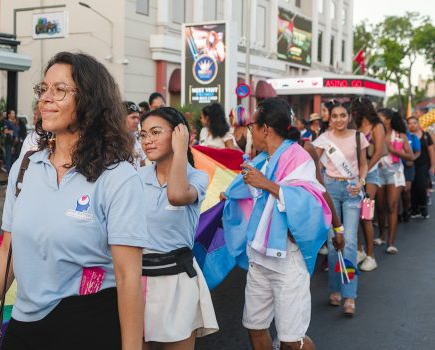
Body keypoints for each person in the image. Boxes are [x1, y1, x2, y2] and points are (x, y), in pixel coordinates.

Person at [0, 52, 149, 349]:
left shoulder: (118, 177)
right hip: (25, 326)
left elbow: (129, 277)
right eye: (43, 89)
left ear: (89, 100)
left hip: (90, 325)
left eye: (59, 90)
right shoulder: (25, 168)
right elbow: (7, 254)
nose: (45, 99)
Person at [223, 97, 331, 350]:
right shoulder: (261, 159)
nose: (251, 132)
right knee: (255, 326)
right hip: (260, 257)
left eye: (252, 127)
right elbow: (251, 196)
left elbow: (310, 202)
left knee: (291, 341)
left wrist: (267, 184)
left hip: (287, 260)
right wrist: (229, 196)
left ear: (265, 129)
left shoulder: (297, 157)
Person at [138, 107, 219, 349]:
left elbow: (176, 195)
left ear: (178, 134)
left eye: (155, 132)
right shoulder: (135, 177)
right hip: (137, 280)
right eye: (143, 135)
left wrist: (182, 148)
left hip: (177, 281)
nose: (147, 140)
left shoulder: (197, 177)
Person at [312, 102, 368, 317]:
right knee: (334, 241)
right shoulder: (324, 139)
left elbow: (363, 163)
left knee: (350, 242)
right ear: (330, 118)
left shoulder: (358, 137)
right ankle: (335, 288)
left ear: (348, 116)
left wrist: (361, 181)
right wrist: (320, 184)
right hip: (331, 189)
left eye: (342, 115)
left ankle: (349, 294)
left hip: (352, 189)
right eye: (334, 116)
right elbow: (312, 161)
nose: (338, 119)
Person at [351, 97, 385, 271]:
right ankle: (359, 250)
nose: (353, 113)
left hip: (371, 176)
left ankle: (371, 256)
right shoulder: (356, 127)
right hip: (356, 176)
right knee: (355, 215)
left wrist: (364, 172)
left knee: (366, 216)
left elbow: (378, 152)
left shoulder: (377, 127)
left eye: (355, 110)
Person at [376, 108, 415, 254]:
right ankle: (381, 235)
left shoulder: (400, 136)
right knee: (379, 207)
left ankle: (391, 243)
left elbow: (410, 157)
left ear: (388, 119)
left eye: (380, 116)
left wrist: (393, 150)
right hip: (378, 172)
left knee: (392, 206)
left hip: (395, 172)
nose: (378, 118)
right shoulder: (375, 134)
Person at [408, 116, 434, 218]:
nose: (412, 125)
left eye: (414, 123)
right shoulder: (406, 136)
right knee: (412, 187)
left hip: (423, 164)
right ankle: (414, 210)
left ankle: (423, 207)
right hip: (410, 165)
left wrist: (433, 165)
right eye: (410, 123)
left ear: (418, 124)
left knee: (420, 186)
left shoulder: (426, 135)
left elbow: (431, 150)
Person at [124, 101, 146, 167]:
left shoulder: (139, 139)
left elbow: (142, 165)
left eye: (138, 118)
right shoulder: (113, 141)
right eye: (133, 117)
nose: (137, 121)